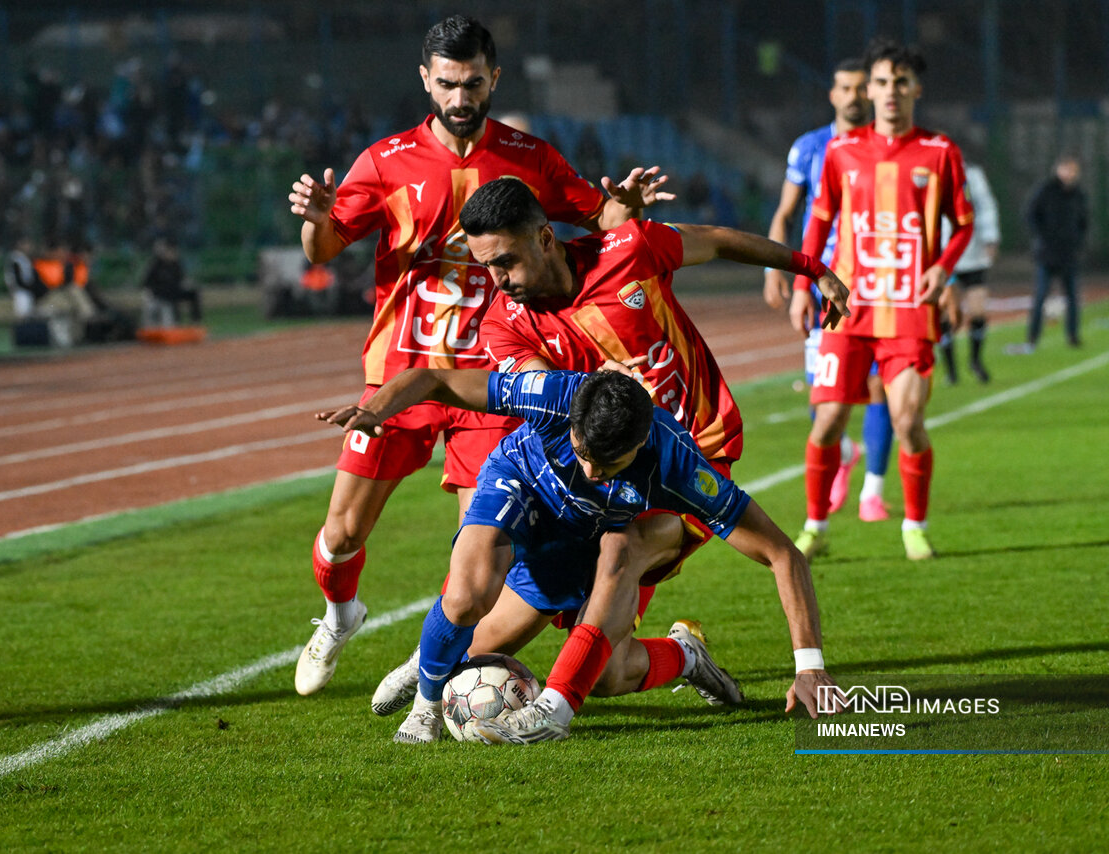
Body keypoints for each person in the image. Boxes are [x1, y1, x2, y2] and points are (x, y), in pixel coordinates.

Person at [365, 176, 850, 725]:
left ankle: (551, 715)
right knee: (587, 670)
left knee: (627, 546)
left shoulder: (631, 250)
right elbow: (560, 404)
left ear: (545, 239)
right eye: (486, 267)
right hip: (601, 470)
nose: (497, 281)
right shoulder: (506, 324)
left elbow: (717, 241)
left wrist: (810, 268)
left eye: (505, 261)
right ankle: (684, 654)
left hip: (690, 460)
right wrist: (604, 381)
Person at [285, 15, 674, 697]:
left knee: (486, 550)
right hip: (402, 374)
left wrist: (626, 208)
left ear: (493, 78)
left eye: (471, 83)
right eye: (446, 83)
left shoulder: (531, 158)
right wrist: (317, 220)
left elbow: (602, 222)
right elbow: (322, 250)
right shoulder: (385, 161)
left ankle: (441, 673)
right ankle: (341, 615)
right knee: (341, 533)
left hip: (496, 384)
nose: (459, 97)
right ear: (425, 80)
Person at [319, 368, 844, 743]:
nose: (590, 472)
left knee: (608, 675)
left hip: (591, 536)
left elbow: (783, 554)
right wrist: (375, 409)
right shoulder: (553, 394)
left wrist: (811, 667)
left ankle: (683, 656)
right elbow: (436, 379)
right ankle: (426, 702)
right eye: (583, 453)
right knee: (466, 597)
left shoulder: (677, 463)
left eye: (608, 464)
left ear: (640, 444)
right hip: (521, 483)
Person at [792, 38, 974, 562]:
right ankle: (815, 526)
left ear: (916, 89)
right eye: (881, 82)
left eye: (900, 82)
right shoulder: (841, 151)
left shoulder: (940, 151)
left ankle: (915, 525)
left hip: (910, 311)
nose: (890, 91)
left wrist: (943, 268)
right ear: (868, 90)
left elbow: (964, 224)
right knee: (828, 421)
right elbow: (819, 222)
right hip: (847, 308)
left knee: (908, 423)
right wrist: (803, 285)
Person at [767, 58, 896, 524]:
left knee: (879, 386)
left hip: (877, 283)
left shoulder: (887, 146)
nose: (854, 96)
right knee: (823, 394)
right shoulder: (810, 148)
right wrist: (777, 269)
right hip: (824, 282)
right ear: (833, 95)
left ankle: (873, 493)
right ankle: (843, 453)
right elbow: (787, 213)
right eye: (846, 88)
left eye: (862, 88)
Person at [1012, 154, 1088, 352]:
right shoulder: (1045, 190)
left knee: (1072, 297)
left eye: (1073, 170)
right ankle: (1032, 337)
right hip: (1047, 253)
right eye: (1066, 169)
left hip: (1069, 253)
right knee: (1040, 296)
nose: (1070, 174)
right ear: (1058, 169)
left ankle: (1073, 335)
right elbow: (1030, 215)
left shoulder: (1078, 194)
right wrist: (1042, 236)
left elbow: (1084, 220)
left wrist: (1078, 242)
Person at [938, 160, 1000, 383]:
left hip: (973, 256)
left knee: (978, 310)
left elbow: (986, 206)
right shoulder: (925, 173)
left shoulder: (972, 175)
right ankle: (951, 371)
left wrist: (990, 238)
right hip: (945, 256)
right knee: (947, 314)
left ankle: (975, 361)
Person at [141, 236, 202, 325]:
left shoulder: (176, 264)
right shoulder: (155, 264)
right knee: (171, 296)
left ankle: (195, 321)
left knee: (193, 293)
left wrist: (188, 283)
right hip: (160, 293)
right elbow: (146, 283)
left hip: (175, 289)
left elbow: (182, 279)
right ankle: (176, 321)